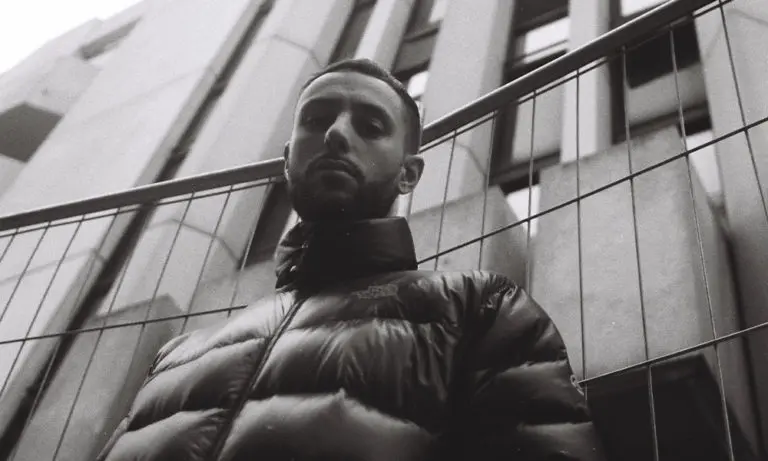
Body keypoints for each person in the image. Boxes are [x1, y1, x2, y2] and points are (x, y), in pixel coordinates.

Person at [96, 58, 604, 461]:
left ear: (408, 174)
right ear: (287, 160)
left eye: (371, 125)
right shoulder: (177, 356)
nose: (337, 134)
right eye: (316, 120)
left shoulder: (479, 307)